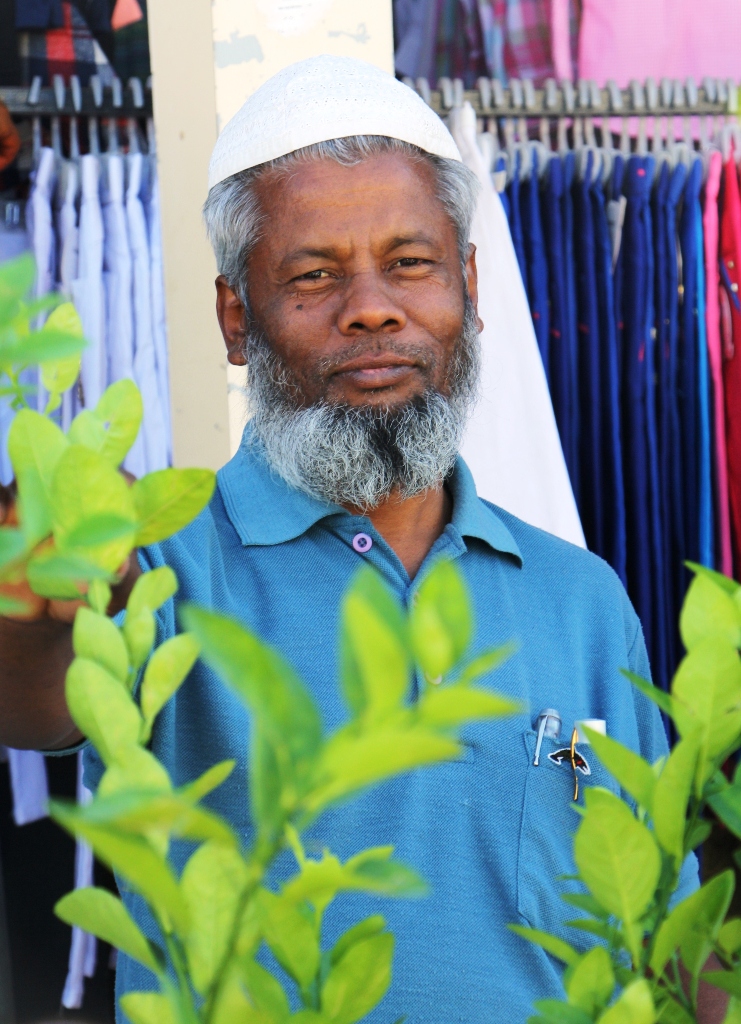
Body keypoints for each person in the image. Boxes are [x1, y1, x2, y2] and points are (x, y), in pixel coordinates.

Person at [0, 56, 720, 1022]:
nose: (372, 307)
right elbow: (33, 695)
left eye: (411, 263)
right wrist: (40, 593)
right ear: (234, 317)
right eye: (313, 275)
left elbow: (660, 946)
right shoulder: (162, 566)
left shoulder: (580, 598)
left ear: (468, 285)